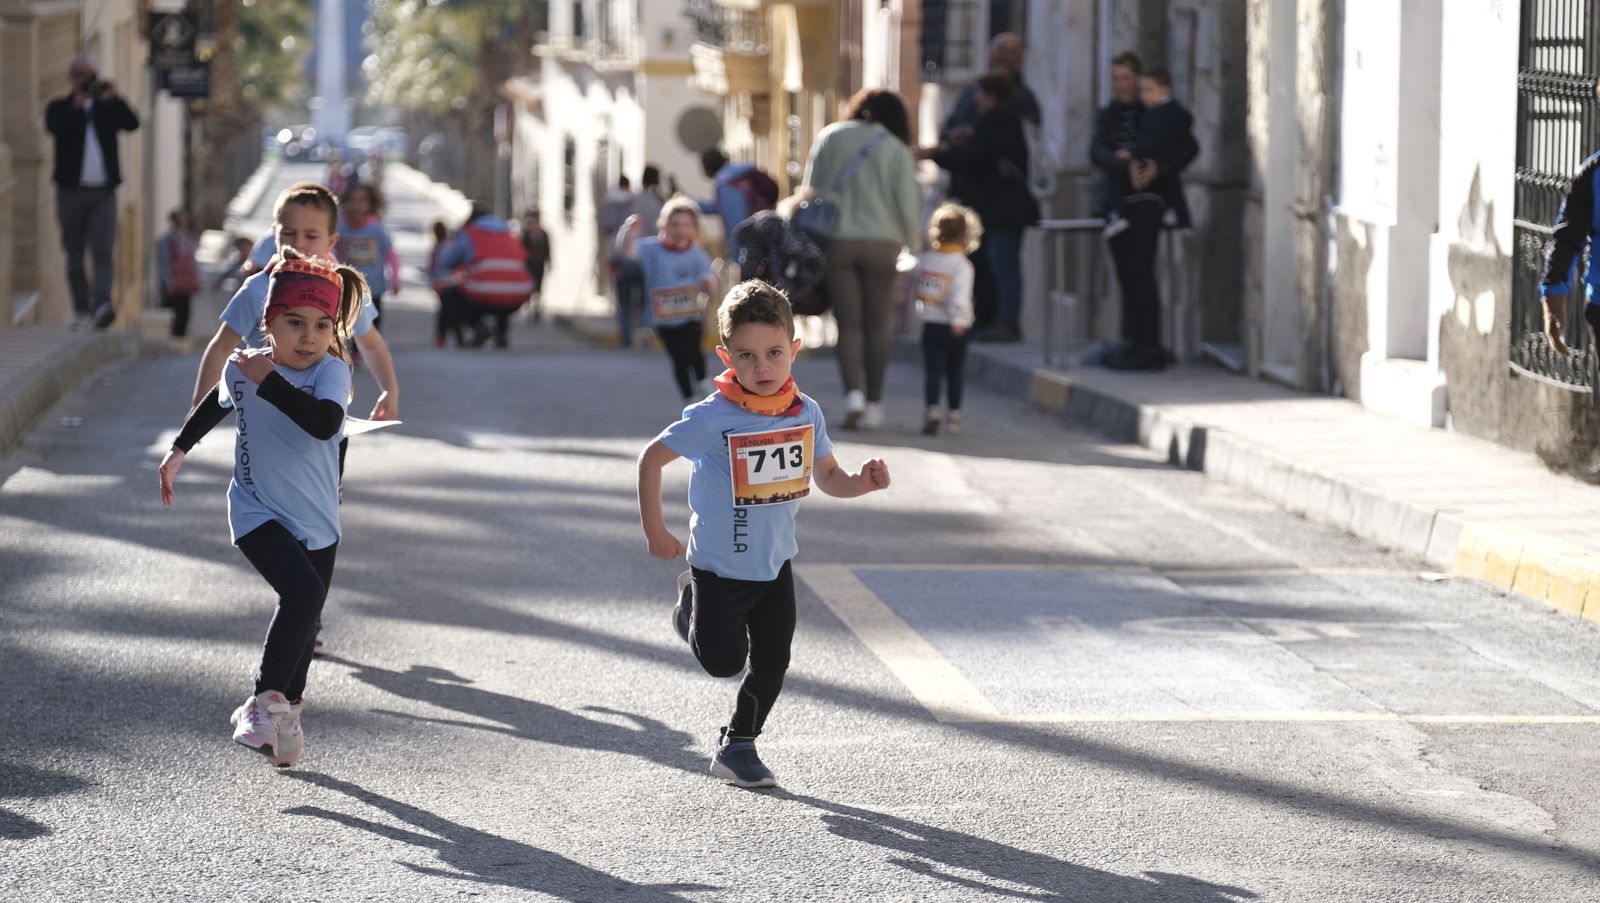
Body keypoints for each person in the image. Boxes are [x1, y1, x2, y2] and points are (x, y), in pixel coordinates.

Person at [636, 279, 891, 788]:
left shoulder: (805, 412)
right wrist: (656, 532)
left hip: (775, 564)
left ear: (794, 350)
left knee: (774, 660)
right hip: (718, 565)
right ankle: (691, 606)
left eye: (774, 353)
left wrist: (861, 483)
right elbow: (651, 459)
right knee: (722, 663)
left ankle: (739, 745)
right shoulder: (713, 416)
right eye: (748, 356)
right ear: (726, 356)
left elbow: (828, 477)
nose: (763, 368)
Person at [158, 249, 367, 768]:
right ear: (267, 321)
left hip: (319, 518)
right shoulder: (245, 369)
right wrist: (179, 448)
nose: (308, 336)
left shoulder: (331, 373)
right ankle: (262, 702)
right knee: (303, 592)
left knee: (304, 609)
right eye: (294, 323)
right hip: (256, 512)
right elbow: (216, 401)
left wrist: (266, 380)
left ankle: (286, 714)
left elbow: (322, 424)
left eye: (321, 325)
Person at [191, 182, 400, 422]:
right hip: (263, 420)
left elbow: (371, 344)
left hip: (324, 421)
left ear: (331, 241)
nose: (298, 242)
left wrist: (390, 391)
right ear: (274, 232)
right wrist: (198, 411)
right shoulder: (257, 288)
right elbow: (221, 348)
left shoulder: (343, 288)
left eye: (311, 235)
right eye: (288, 233)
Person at [802, 89, 923, 428]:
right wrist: (913, 248)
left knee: (849, 325)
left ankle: (852, 395)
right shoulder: (896, 149)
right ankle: (874, 405)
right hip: (883, 244)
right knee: (877, 326)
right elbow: (908, 205)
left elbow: (810, 189)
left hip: (837, 241)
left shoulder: (829, 136)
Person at [1096, 64, 1199, 371]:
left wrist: (1158, 168)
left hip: (1146, 201)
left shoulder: (1159, 114)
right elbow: (1097, 149)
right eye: (1118, 79)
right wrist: (1121, 164)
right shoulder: (1112, 115)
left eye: (1132, 81)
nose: (1126, 87)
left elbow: (1187, 147)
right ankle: (1134, 339)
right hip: (1122, 199)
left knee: (1141, 270)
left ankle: (1149, 344)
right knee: (1127, 274)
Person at [935, 34, 1040, 334]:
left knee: (1002, 261)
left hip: (1004, 203)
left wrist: (949, 150)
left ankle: (1005, 322)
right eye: (1001, 51)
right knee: (978, 262)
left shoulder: (1020, 102)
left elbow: (982, 152)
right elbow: (949, 129)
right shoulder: (972, 93)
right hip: (973, 198)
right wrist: (957, 136)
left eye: (1012, 52)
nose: (1005, 57)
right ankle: (985, 319)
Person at [44, 56, 141, 330]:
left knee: (102, 251)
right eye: (80, 75)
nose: (85, 80)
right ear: (71, 79)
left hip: (103, 193)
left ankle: (102, 304)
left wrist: (115, 97)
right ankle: (80, 308)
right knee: (74, 253)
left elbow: (132, 123)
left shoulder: (106, 107)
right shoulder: (60, 107)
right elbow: (53, 127)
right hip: (70, 192)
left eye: (90, 75)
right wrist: (77, 104)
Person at [629, 198, 717, 400]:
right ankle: (688, 398)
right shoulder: (652, 249)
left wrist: (708, 283)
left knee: (694, 350)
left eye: (686, 225)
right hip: (663, 318)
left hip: (690, 315)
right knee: (678, 357)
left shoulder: (697, 253)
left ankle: (704, 385)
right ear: (665, 225)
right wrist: (629, 231)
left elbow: (707, 276)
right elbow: (628, 252)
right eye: (675, 224)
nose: (680, 230)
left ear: (694, 228)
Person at [913, 203, 981, 436]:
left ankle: (932, 409)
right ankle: (954, 415)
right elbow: (960, 296)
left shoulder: (926, 260)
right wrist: (959, 320)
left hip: (930, 324)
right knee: (955, 371)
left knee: (933, 370)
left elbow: (919, 289)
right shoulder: (962, 264)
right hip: (954, 327)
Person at [435, 204, 535, 348]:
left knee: (451, 296)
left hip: (484, 291)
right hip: (519, 292)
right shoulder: (509, 234)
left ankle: (477, 326)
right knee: (501, 290)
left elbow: (447, 261)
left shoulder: (469, 232)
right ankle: (502, 332)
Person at [698, 147, 780, 267]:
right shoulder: (743, 173)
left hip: (752, 245)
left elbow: (737, 226)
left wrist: (738, 259)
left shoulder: (726, 184)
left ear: (707, 168)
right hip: (769, 232)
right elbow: (718, 207)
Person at [336, 182, 397, 332]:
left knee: (373, 323)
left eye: (363, 200)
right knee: (351, 321)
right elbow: (333, 250)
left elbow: (390, 253)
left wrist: (395, 278)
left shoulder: (376, 226)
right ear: (346, 202)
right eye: (353, 200)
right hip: (348, 285)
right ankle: (355, 351)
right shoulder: (341, 226)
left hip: (374, 286)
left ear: (371, 204)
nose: (357, 205)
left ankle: (373, 351)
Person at [155, 208, 201, 339]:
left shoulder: (189, 238)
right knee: (174, 312)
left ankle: (181, 338)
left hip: (186, 283)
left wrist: (196, 277)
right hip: (173, 283)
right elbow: (164, 262)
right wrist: (167, 281)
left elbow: (192, 259)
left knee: (185, 312)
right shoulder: (166, 240)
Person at [428, 220, 468, 347]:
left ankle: (442, 336)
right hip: (448, 282)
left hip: (446, 283)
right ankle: (452, 337)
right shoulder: (447, 245)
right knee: (450, 311)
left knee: (447, 310)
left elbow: (442, 265)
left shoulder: (443, 246)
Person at [520, 208, 553, 324]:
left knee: (538, 287)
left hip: (539, 264)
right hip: (529, 264)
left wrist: (549, 263)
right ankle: (528, 310)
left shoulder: (543, 233)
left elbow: (548, 250)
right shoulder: (527, 233)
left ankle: (536, 309)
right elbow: (522, 249)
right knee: (530, 287)